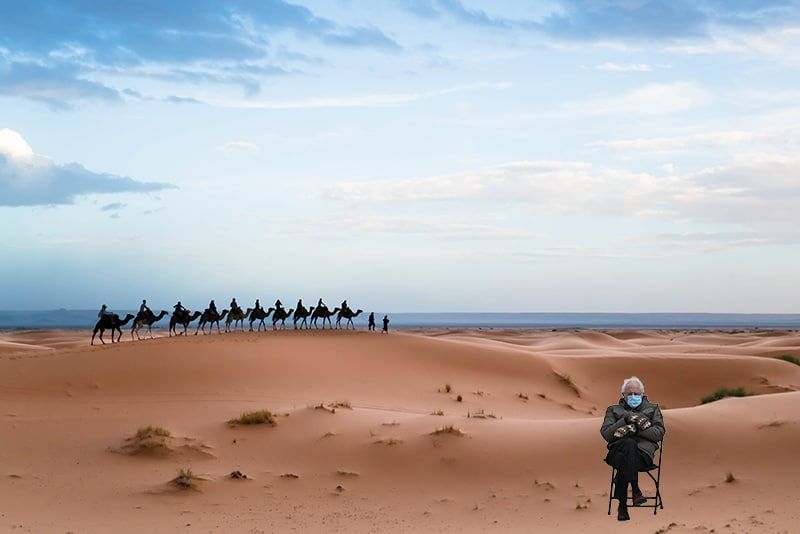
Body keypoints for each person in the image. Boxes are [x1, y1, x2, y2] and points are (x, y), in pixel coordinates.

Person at [601, 376, 665, 521]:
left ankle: (622, 506)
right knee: (628, 444)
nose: (633, 396)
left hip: (642, 456)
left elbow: (659, 433)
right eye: (629, 394)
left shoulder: (652, 409)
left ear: (642, 394)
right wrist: (625, 420)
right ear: (623, 395)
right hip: (617, 449)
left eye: (636, 393)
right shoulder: (613, 410)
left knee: (622, 457)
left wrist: (634, 429)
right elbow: (607, 434)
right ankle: (635, 490)